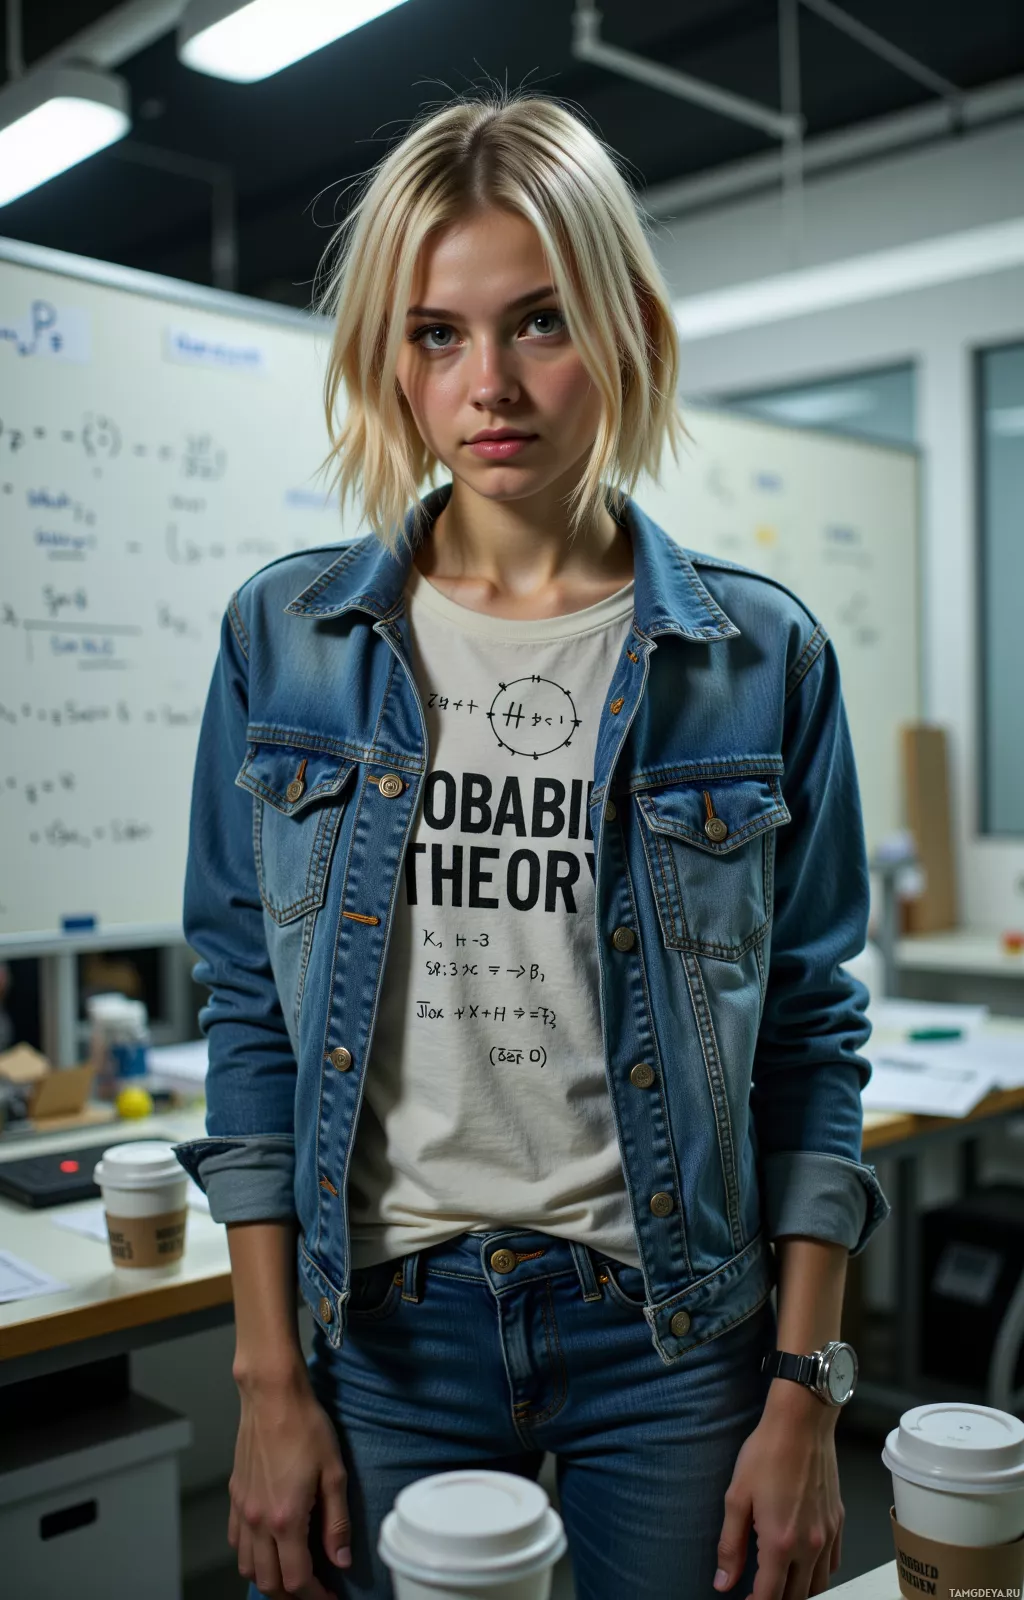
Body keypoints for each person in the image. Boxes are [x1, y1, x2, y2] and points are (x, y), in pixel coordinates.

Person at [174, 90, 890, 1600]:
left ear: (625, 328)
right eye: (437, 333)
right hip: (384, 1329)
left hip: (674, 1329)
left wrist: (804, 1390)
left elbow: (814, 1041)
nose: (489, 383)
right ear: (392, 357)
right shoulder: (287, 642)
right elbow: (249, 1009)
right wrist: (265, 1382)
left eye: (541, 322)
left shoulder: (760, 658)